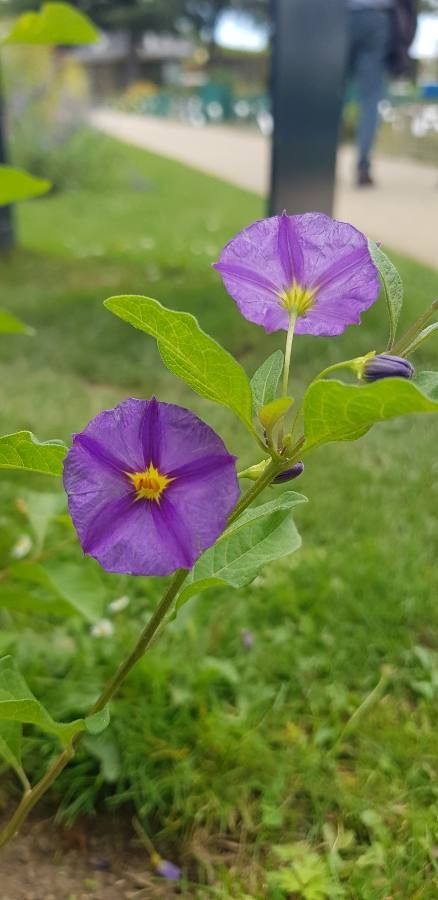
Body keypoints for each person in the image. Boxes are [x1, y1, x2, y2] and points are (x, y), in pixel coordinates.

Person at [347, 0, 417, 186]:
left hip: (342, 16)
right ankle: (363, 165)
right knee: (370, 100)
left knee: (326, 92)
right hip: (378, 17)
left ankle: (314, 166)